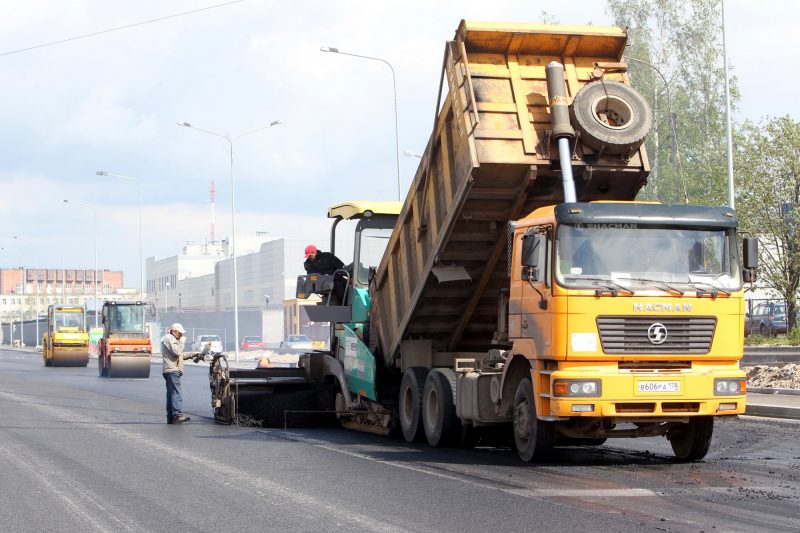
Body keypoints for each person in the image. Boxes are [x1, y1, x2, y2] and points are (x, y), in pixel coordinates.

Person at [161, 323, 206, 424]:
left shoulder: (172, 340)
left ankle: (171, 417)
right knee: (176, 393)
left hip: (171, 370)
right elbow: (177, 352)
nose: (181, 335)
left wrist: (194, 354)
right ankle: (177, 415)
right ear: (174, 331)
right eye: (180, 333)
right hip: (172, 370)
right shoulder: (169, 338)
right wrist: (182, 342)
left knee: (171, 394)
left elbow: (180, 355)